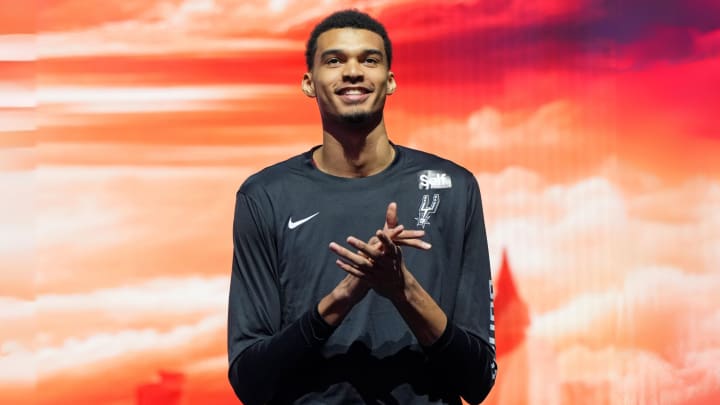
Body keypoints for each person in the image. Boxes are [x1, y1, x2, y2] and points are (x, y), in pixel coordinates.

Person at [228, 9, 497, 405]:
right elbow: (250, 380)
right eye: (334, 60)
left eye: (369, 60)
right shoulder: (265, 196)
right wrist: (343, 298)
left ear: (389, 82)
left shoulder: (454, 188)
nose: (353, 72)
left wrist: (402, 290)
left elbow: (477, 381)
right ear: (308, 83)